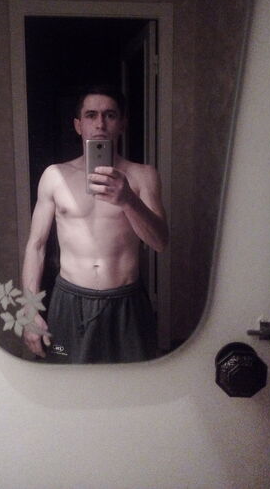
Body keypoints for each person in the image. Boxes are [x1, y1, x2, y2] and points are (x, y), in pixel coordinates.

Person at [22, 85, 168, 363]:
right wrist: (29, 311)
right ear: (78, 125)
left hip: (127, 303)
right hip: (69, 303)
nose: (100, 124)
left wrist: (128, 200)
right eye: (91, 115)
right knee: (68, 378)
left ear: (122, 124)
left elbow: (160, 242)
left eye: (110, 115)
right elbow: (36, 246)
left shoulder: (143, 176)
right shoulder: (55, 176)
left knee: (133, 383)